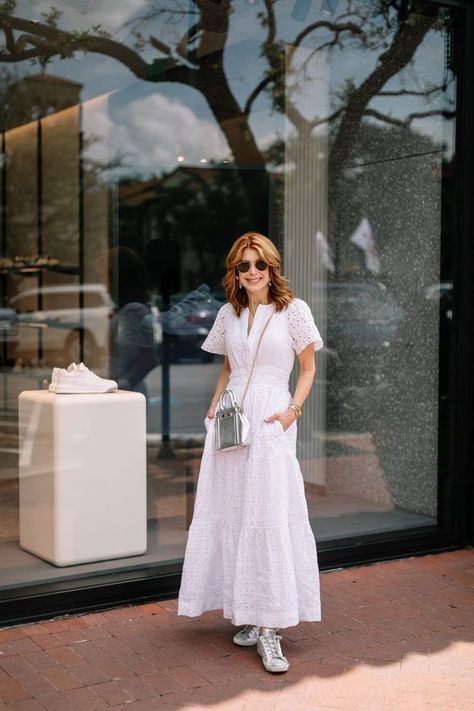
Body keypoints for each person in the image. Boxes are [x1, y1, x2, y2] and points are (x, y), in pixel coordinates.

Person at [177, 232, 324, 673]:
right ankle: (250, 611)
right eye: (244, 266)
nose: (253, 272)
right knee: (235, 510)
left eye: (260, 264)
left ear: (272, 267)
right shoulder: (229, 313)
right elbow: (226, 367)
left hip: (271, 417)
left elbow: (309, 367)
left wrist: (292, 412)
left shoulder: (293, 311)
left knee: (269, 512)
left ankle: (272, 626)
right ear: (235, 273)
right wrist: (213, 404)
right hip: (231, 418)